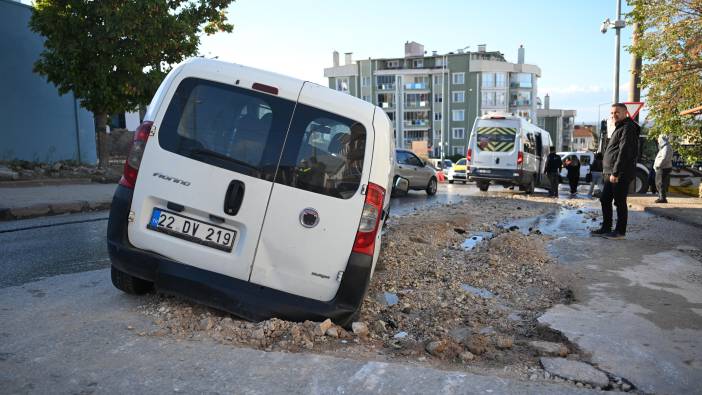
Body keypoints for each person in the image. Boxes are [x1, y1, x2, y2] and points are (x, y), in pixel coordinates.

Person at [591, 103, 640, 239]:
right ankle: (606, 228)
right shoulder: (619, 127)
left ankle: (620, 232)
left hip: (619, 173)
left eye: (617, 112)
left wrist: (616, 172)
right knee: (605, 200)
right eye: (612, 113)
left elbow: (624, 152)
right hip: (610, 171)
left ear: (625, 113)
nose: (614, 115)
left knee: (619, 202)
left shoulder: (628, 127)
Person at [653, 134, 673, 203]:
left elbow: (664, 158)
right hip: (663, 167)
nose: (658, 141)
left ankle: (662, 198)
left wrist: (658, 165)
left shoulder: (666, 147)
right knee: (659, 183)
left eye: (659, 139)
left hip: (663, 168)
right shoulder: (665, 147)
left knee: (660, 183)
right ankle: (661, 197)